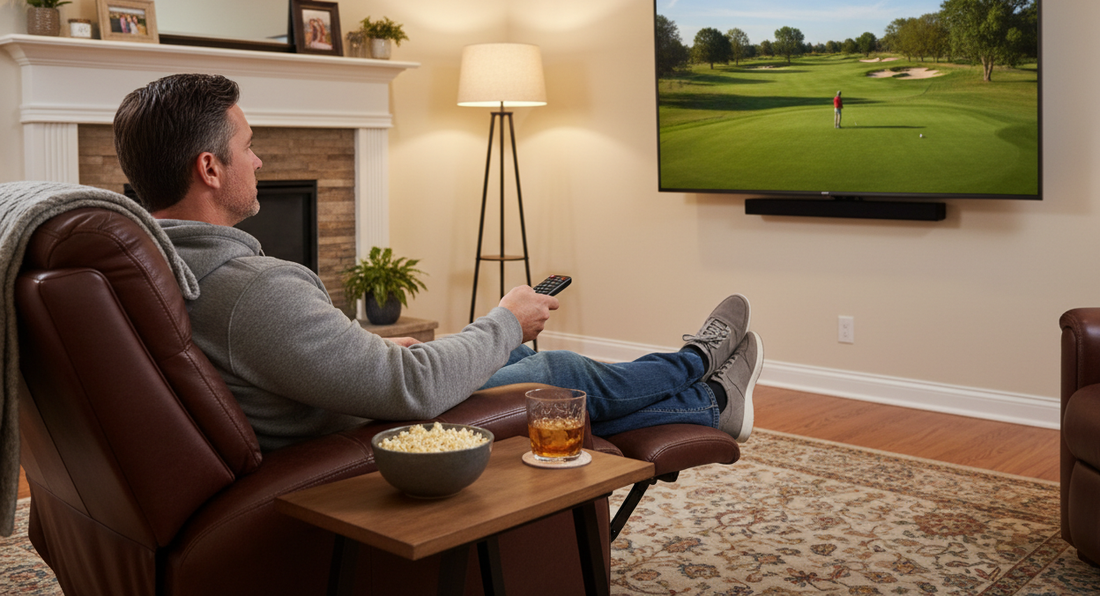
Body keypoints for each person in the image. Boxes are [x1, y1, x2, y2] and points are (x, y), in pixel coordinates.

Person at [112, 73, 764, 451]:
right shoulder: (249, 291)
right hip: (370, 439)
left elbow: (365, 364)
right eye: (248, 147)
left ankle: (712, 400)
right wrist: (508, 317)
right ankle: (700, 373)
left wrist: (486, 334)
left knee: (499, 355)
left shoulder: (142, 266)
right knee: (552, 370)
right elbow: (412, 387)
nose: (259, 162)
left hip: (332, 397)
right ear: (208, 166)